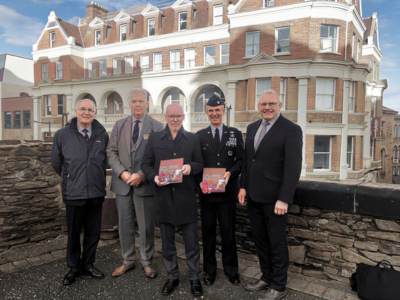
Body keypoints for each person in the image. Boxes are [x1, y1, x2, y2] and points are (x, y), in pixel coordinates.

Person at [238, 90, 302, 300]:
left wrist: (284, 198)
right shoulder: (253, 127)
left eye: (271, 103)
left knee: (277, 242)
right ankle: (266, 277)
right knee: (261, 240)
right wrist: (243, 186)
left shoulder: (291, 130)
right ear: (259, 106)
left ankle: (279, 285)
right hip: (254, 197)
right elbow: (248, 161)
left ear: (280, 104)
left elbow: (293, 168)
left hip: (275, 200)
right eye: (263, 104)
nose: (267, 107)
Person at [141, 103, 204, 296]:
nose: (175, 119)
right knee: (167, 243)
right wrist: (154, 177)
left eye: (178, 116)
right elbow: (146, 163)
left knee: (192, 242)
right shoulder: (154, 137)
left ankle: (194, 277)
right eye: (171, 116)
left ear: (183, 117)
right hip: (164, 198)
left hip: (186, 198)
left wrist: (190, 168)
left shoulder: (193, 139)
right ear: (165, 117)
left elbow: (200, 164)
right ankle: (173, 276)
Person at [51, 99, 109, 285]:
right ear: (76, 111)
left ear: (94, 112)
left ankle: (89, 264)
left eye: (90, 110)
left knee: (93, 232)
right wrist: (72, 178)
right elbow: (56, 162)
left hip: (96, 192)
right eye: (82, 109)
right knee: (74, 232)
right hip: (74, 193)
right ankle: (74, 266)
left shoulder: (102, 134)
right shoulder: (62, 135)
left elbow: (105, 161)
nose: (86, 112)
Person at [107, 87, 163, 278]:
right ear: (129, 104)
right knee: (125, 225)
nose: (137, 104)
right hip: (123, 186)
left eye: (141, 101)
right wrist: (123, 173)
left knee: (146, 226)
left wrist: (141, 174)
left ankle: (147, 262)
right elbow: (111, 152)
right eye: (134, 101)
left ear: (147, 103)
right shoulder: (119, 125)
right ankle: (128, 261)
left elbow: (159, 157)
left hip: (144, 184)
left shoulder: (157, 126)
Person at [196, 95, 243, 286]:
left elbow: (241, 161)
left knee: (228, 234)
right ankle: (209, 271)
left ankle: (231, 271)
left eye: (218, 110)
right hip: (207, 194)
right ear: (207, 112)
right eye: (211, 110)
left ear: (223, 110)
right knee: (207, 235)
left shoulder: (235, 134)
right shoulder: (199, 135)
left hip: (227, 194)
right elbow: (197, 162)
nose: (214, 113)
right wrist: (198, 181)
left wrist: (231, 173)